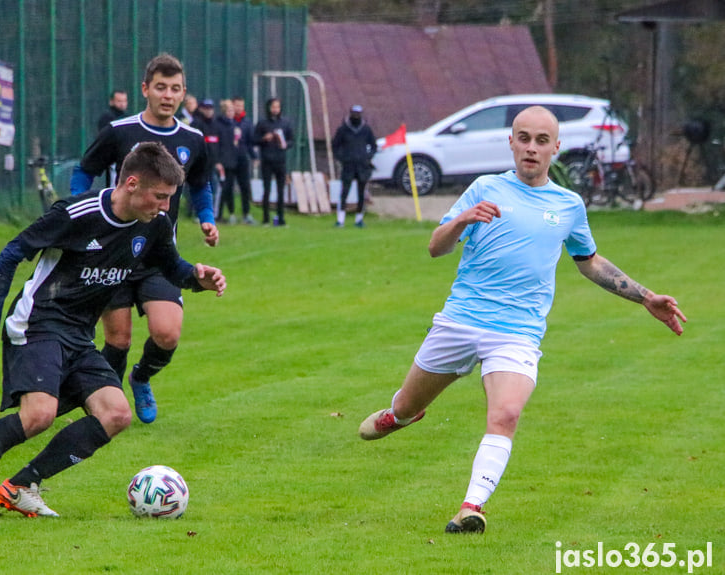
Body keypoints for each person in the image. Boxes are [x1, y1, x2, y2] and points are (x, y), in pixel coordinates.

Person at [358, 106, 687, 534]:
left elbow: (588, 261)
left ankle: (471, 506)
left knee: (506, 414)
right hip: (460, 322)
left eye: (541, 141)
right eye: (524, 138)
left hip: (517, 332)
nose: (532, 148)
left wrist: (645, 297)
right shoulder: (484, 188)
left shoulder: (568, 205)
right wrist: (460, 219)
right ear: (511, 142)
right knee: (407, 402)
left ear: (556, 148)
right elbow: (436, 249)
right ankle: (400, 415)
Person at [0, 142, 226, 520]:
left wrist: (198, 279)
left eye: (169, 198)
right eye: (159, 196)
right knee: (39, 414)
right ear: (132, 183)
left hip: (79, 333)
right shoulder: (77, 214)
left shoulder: (155, 225)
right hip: (38, 322)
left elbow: (172, 267)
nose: (165, 206)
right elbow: (11, 253)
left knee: (116, 413)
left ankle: (21, 486)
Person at [70, 53, 219, 425]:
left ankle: (141, 378)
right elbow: (84, 171)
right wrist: (80, 211)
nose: (167, 95)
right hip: (114, 254)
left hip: (159, 257)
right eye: (160, 87)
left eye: (175, 89)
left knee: (167, 333)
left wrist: (207, 219)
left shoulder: (192, 139)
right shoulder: (120, 132)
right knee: (117, 339)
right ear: (145, 89)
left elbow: (200, 184)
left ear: (184, 93)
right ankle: (106, 405)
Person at [331, 104, 376, 228]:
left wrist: (367, 157)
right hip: (348, 165)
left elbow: (373, 145)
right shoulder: (343, 129)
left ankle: (359, 219)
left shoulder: (366, 129)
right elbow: (335, 146)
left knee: (361, 193)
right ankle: (340, 220)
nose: (356, 116)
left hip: (362, 166)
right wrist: (342, 158)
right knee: (344, 192)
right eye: (354, 113)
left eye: (358, 113)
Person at [254, 97, 294, 226]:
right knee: (266, 189)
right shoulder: (262, 123)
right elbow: (254, 139)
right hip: (267, 160)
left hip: (280, 160)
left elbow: (291, 140)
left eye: (277, 107)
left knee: (281, 190)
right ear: (269, 108)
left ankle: (281, 218)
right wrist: (264, 139)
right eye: (273, 107)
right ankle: (265, 219)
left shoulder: (285, 123)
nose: (275, 109)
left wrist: (285, 144)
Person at [229, 96, 256, 224]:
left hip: (243, 158)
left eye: (241, 106)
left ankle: (246, 213)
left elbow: (251, 142)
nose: (239, 108)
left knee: (245, 186)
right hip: (229, 158)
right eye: (237, 105)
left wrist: (254, 157)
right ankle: (231, 213)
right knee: (228, 187)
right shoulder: (228, 121)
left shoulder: (247, 123)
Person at [215, 99, 240, 223]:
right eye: (229, 110)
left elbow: (235, 143)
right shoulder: (218, 125)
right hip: (222, 163)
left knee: (230, 189)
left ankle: (231, 213)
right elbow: (217, 145)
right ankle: (217, 214)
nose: (231, 112)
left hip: (232, 162)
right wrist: (218, 161)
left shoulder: (235, 125)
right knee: (221, 189)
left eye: (232, 110)